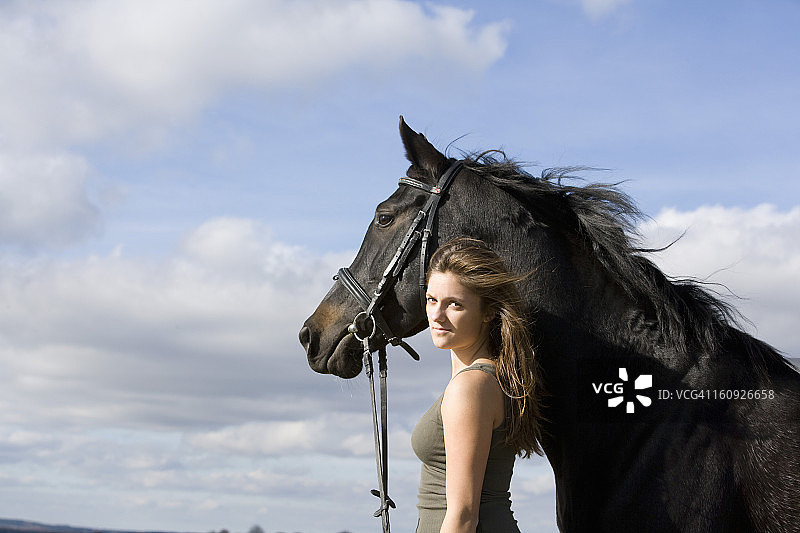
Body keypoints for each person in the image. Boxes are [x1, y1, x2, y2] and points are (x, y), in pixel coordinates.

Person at [411, 237, 543, 533]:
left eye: (454, 304)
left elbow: (463, 515)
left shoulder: (471, 387)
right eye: (432, 300)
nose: (436, 315)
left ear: (488, 312)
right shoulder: (491, 378)